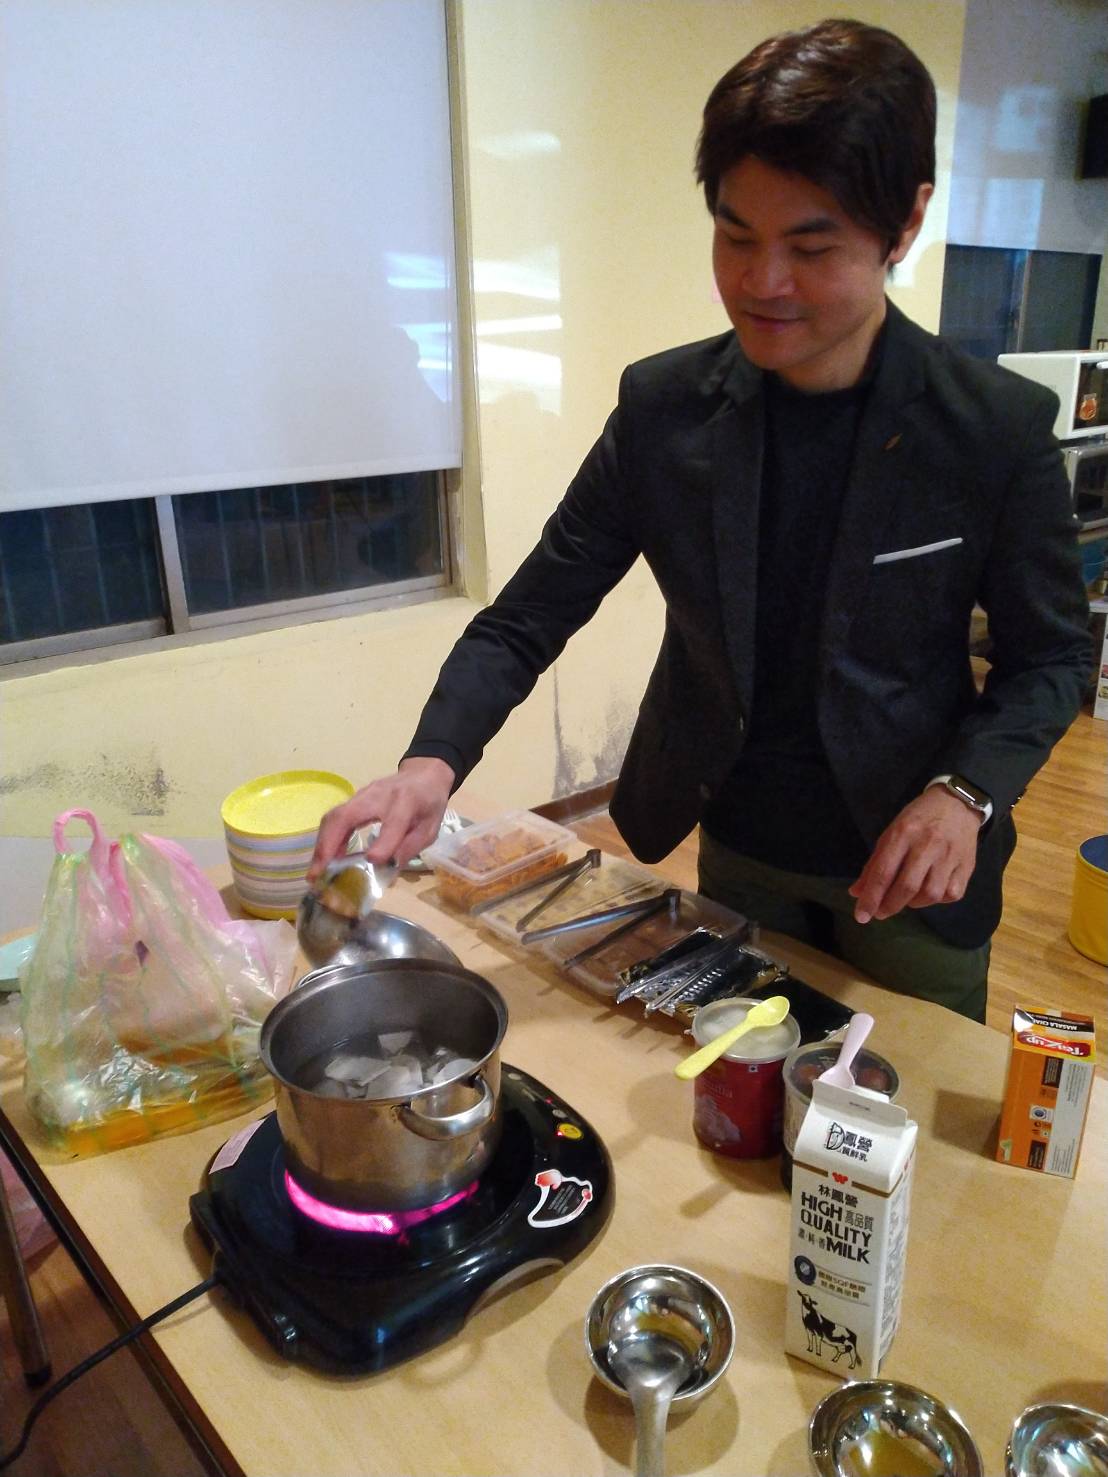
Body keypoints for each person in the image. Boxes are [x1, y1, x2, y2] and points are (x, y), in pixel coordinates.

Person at [311, 18, 1092, 1021]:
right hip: (739, 845)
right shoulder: (663, 411)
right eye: (735, 235)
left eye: (811, 247)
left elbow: (1051, 660)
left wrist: (966, 793)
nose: (761, 283)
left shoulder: (991, 429)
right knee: (739, 1103)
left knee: (895, 1130)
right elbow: (527, 615)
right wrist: (430, 764)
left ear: (904, 225)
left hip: (913, 865)